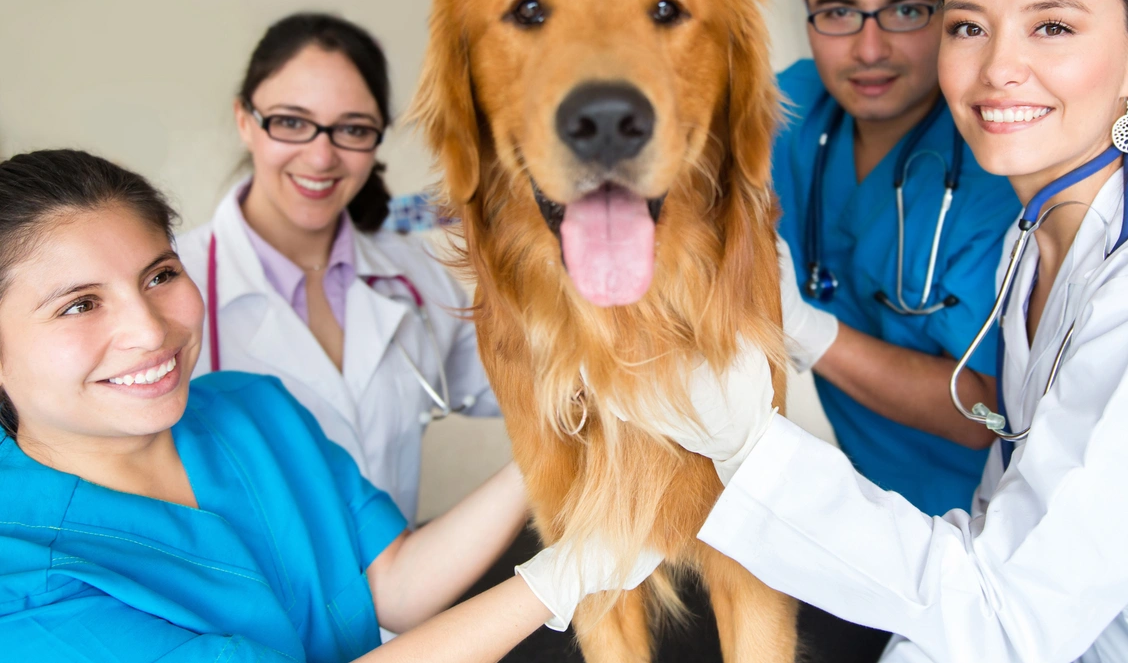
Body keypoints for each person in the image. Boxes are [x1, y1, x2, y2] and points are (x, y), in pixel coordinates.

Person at [640, 0, 1128, 662]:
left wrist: (742, 436)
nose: (1000, 67)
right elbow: (1000, 530)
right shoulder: (1039, 239)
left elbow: (1007, 614)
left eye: (1053, 27)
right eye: (971, 27)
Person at [0, 149, 659, 662]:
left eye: (160, 275)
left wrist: (559, 427)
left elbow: (394, 586)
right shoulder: (19, 582)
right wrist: (573, 570)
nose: (149, 329)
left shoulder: (250, 409)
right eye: (79, 305)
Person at [177, 13, 499, 521]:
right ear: (245, 121)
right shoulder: (174, 286)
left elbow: (522, 381)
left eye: (352, 129)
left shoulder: (411, 274)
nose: (322, 156)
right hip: (258, 599)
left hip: (414, 590)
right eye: (292, 122)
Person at [774, 0, 1021, 522]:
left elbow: (985, 411)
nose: (869, 48)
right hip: (871, 512)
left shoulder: (997, 164)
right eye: (838, 13)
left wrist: (805, 330)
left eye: (907, 10)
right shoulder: (788, 109)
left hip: (988, 524)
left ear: (953, 11)